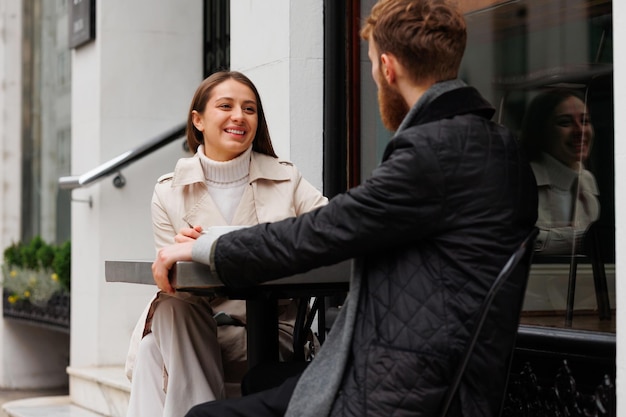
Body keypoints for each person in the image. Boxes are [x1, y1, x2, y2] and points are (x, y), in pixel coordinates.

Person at [153, 0, 538, 416]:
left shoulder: (433, 152)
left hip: (402, 386)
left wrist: (206, 245)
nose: (374, 79)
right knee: (260, 378)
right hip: (455, 366)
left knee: (205, 415)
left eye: (372, 65)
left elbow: (321, 230)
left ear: (388, 68)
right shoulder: (498, 145)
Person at [125, 70, 328, 417]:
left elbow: (328, 232)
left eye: (249, 109)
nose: (239, 116)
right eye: (226, 106)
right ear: (198, 120)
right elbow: (173, 284)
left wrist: (208, 247)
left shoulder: (286, 178)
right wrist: (181, 257)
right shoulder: (168, 190)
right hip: (199, 324)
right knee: (172, 309)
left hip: (270, 328)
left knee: (151, 354)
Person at [519, 88, 600, 255]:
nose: (580, 131)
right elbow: (520, 241)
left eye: (585, 121)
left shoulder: (587, 180)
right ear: (541, 131)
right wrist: (582, 240)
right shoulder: (520, 180)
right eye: (565, 122)